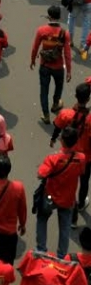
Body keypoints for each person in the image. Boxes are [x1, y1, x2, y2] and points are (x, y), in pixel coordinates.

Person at [36, 126, 86, 258]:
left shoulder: (53, 158)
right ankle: (61, 256)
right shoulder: (81, 158)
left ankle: (41, 250)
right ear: (75, 141)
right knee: (64, 228)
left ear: (62, 140)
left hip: (50, 196)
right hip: (68, 198)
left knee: (42, 218)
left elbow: (40, 174)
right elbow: (81, 172)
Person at [50, 82, 91, 228]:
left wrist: (53, 138)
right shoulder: (89, 119)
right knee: (84, 182)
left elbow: (57, 127)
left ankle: (73, 218)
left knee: (71, 186)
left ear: (75, 96)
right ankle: (81, 204)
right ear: (88, 99)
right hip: (86, 157)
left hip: (68, 157)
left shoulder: (65, 114)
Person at [30, 4, 72, 124]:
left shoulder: (42, 30)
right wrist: (68, 71)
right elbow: (67, 54)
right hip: (59, 67)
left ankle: (46, 114)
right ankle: (55, 105)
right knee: (58, 87)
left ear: (49, 16)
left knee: (44, 90)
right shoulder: (65, 34)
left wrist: (32, 60)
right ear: (59, 17)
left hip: (45, 66)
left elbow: (35, 48)